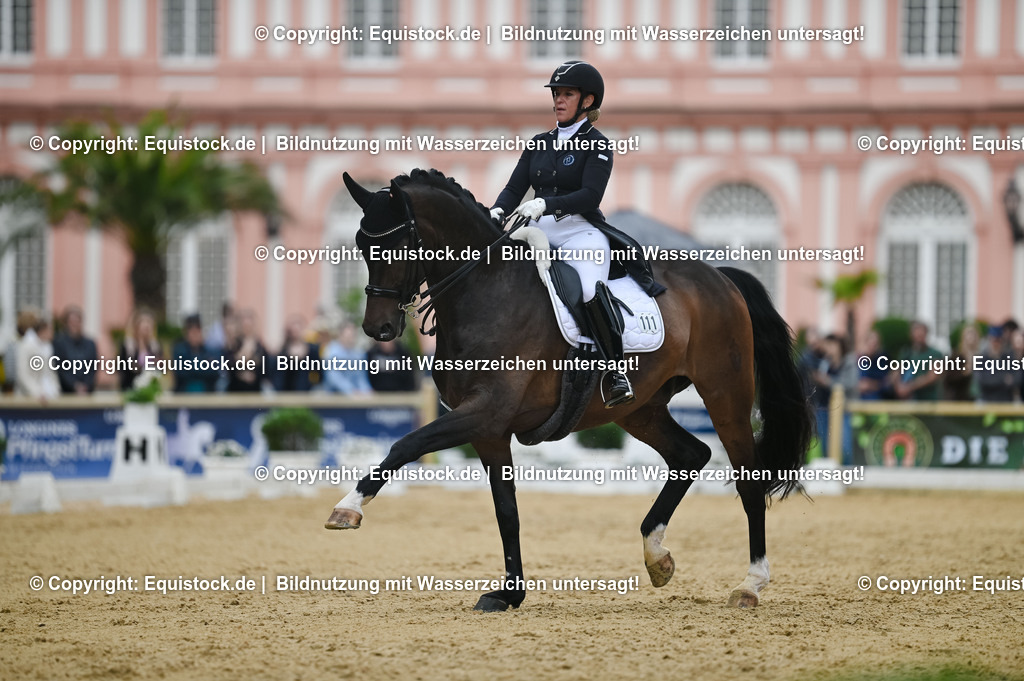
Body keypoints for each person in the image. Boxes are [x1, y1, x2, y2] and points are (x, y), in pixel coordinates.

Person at [489, 60, 665, 408]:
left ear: (587, 101)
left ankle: (615, 372)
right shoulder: (539, 143)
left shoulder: (597, 145)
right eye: (556, 93)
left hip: (580, 233)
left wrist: (545, 203)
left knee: (587, 289)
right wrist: (496, 210)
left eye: (567, 93)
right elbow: (513, 188)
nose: (558, 99)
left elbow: (590, 196)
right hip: (536, 231)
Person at [15, 308, 60, 401]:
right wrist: (36, 393)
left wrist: (55, 390)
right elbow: (23, 375)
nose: (53, 333)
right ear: (43, 329)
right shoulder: (26, 345)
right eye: (50, 329)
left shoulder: (48, 347)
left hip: (48, 396)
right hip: (29, 398)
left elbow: (51, 373)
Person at [52, 305, 99, 394]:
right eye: (72, 322)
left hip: (87, 392)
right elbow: (60, 369)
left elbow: (93, 368)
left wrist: (85, 385)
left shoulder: (90, 344)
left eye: (77, 321)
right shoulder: (59, 343)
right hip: (67, 392)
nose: (75, 325)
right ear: (66, 323)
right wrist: (74, 386)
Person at [892, 321, 942, 401]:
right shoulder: (906, 353)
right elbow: (896, 371)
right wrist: (898, 386)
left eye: (921, 333)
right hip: (908, 401)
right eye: (916, 332)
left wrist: (909, 387)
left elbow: (932, 376)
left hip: (928, 401)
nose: (919, 335)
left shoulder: (935, 354)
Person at [171, 314, 219, 393]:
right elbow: (180, 373)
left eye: (197, 331)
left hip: (206, 395)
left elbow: (214, 372)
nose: (195, 335)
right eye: (192, 331)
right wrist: (202, 366)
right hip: (183, 394)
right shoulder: (179, 350)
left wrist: (193, 366)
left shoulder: (210, 350)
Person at [322, 322, 372, 395]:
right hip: (334, 396)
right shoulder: (330, 351)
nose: (351, 338)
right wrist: (351, 391)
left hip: (356, 397)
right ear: (340, 335)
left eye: (353, 335)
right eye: (348, 335)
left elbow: (361, 378)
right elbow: (333, 377)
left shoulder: (358, 354)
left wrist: (367, 391)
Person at [118, 310, 163, 391]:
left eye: (149, 323)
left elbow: (160, 369)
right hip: (131, 389)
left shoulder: (155, 347)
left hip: (150, 390)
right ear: (136, 325)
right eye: (144, 322)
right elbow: (123, 369)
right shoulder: (128, 346)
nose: (147, 326)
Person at [225, 309, 269, 392]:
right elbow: (229, 367)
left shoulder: (259, 346)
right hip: (235, 390)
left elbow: (264, 370)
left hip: (255, 391)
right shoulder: (233, 345)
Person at [274, 315, 319, 391]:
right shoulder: (282, 352)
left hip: (308, 392)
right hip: (287, 392)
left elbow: (318, 373)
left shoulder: (312, 350)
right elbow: (278, 377)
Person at [976, 325, 1021, 402]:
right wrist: (1004, 379)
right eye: (994, 340)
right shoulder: (981, 359)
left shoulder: (1009, 358)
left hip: (1006, 401)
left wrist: (992, 377)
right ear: (989, 340)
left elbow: (1017, 379)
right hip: (987, 400)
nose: (996, 343)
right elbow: (981, 381)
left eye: (998, 340)